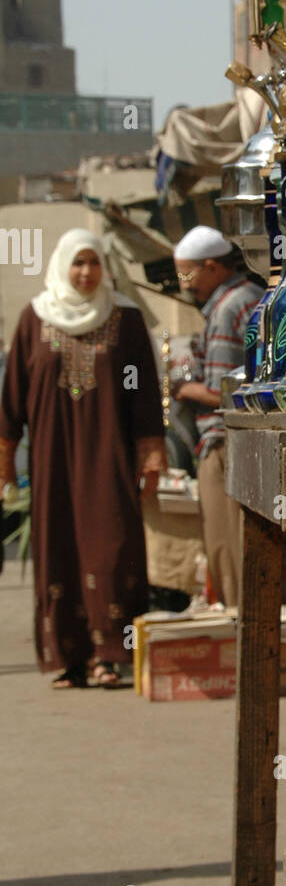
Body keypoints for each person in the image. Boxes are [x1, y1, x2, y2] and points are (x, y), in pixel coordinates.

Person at [0, 229, 167, 688]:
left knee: (114, 549)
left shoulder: (126, 321)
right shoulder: (33, 319)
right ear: (62, 266)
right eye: (78, 263)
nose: (86, 272)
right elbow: (13, 397)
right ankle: (69, 659)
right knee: (58, 551)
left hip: (108, 460)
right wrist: (5, 457)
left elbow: (141, 393)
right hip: (52, 463)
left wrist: (150, 453)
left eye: (93, 263)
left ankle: (111, 656)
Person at [171, 226, 260, 607]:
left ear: (212, 267)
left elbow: (222, 394)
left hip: (224, 445)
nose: (185, 285)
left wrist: (182, 389)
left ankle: (239, 630)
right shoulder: (250, 296)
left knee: (227, 548)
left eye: (188, 274)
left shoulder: (226, 310)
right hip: (244, 443)